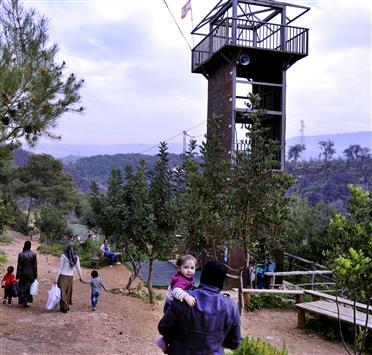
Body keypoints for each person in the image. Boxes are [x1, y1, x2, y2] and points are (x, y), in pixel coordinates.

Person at [158, 260, 242, 355]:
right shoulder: (231, 306)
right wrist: (216, 340)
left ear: (202, 276)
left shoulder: (184, 298)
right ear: (222, 281)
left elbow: (163, 328)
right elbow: (234, 343)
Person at [156, 255, 197, 353]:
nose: (189, 270)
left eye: (192, 268)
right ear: (179, 268)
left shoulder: (187, 278)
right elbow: (176, 290)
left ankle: (167, 340)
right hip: (170, 305)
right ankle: (164, 341)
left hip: (173, 304)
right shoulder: (180, 279)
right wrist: (186, 296)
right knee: (171, 325)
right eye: (186, 267)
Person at [55, 243, 83, 313]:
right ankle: (66, 306)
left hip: (62, 276)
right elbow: (78, 268)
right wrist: (81, 277)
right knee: (68, 292)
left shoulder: (63, 256)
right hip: (70, 277)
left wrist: (55, 279)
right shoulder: (76, 257)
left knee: (62, 292)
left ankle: (64, 307)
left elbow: (59, 268)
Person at [16, 241, 37, 308]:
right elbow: (35, 266)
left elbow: (19, 266)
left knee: (22, 286)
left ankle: (22, 301)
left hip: (23, 274)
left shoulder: (21, 254)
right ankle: (26, 301)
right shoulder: (33, 254)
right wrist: (35, 275)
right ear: (30, 246)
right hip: (31, 274)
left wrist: (17, 276)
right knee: (28, 288)